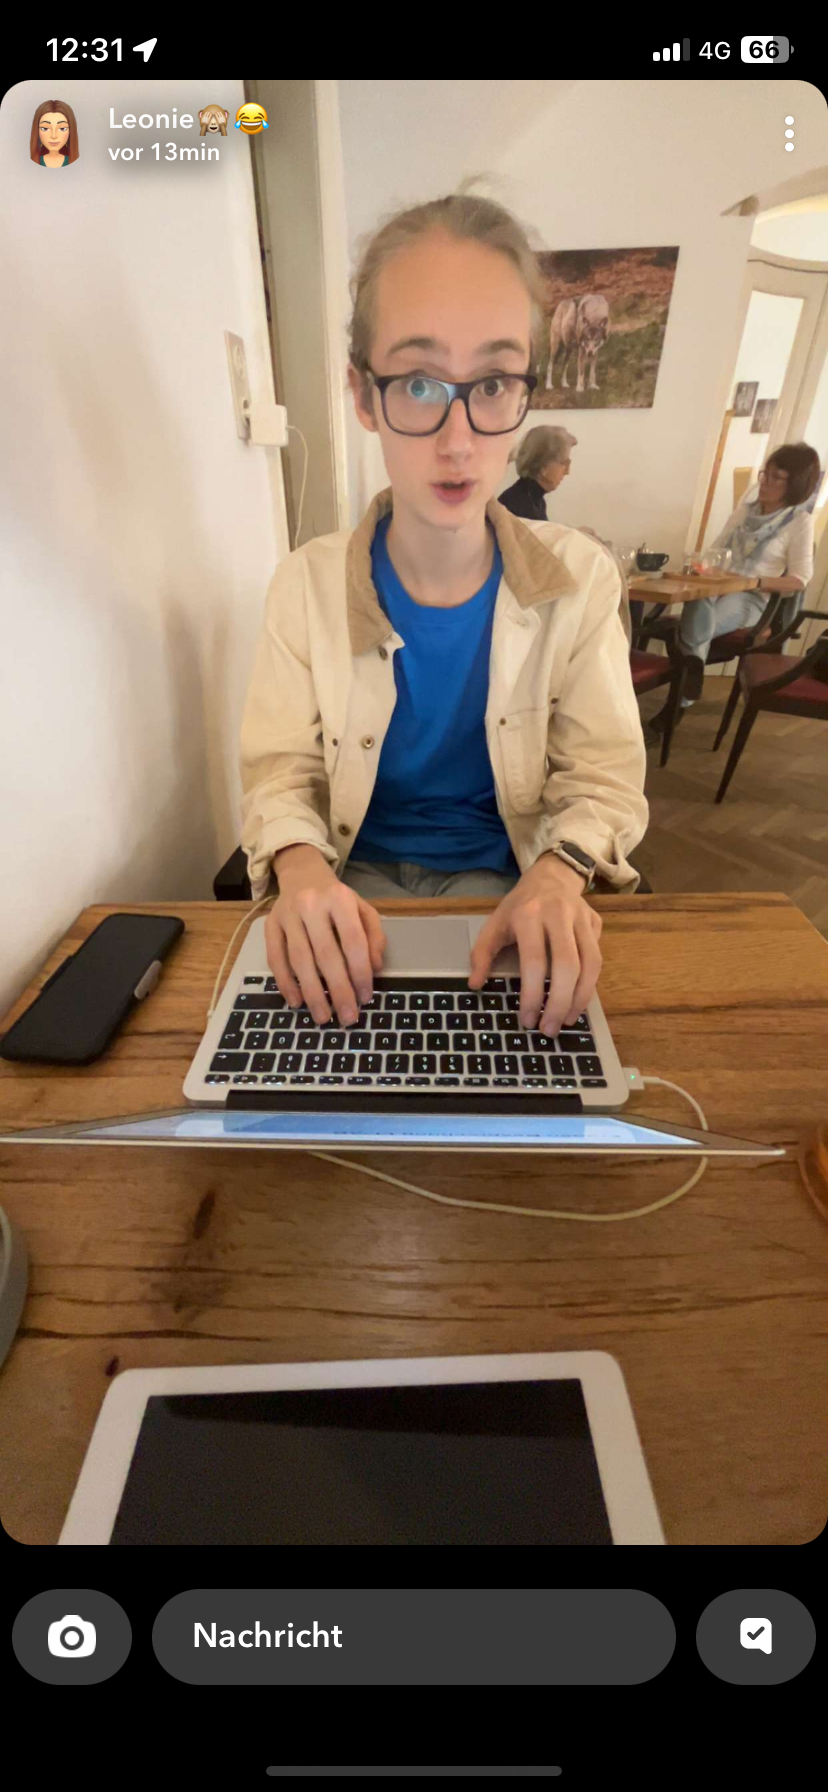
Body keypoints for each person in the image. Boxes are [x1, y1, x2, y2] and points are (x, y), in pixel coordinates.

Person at [239, 178, 648, 1043]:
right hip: (349, 904)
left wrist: (562, 872)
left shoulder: (580, 580)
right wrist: (301, 867)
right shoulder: (304, 587)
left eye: (494, 382)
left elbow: (604, 779)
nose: (460, 440)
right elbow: (279, 770)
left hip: (518, 901)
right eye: (421, 383)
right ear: (362, 395)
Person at [646, 443, 821, 740]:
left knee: (694, 622)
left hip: (753, 597)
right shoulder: (743, 513)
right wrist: (700, 570)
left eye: (776, 477)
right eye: (765, 474)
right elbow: (714, 555)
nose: (764, 482)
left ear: (795, 484)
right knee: (697, 601)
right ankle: (694, 670)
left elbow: (800, 579)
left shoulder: (798, 522)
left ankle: (678, 702)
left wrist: (752, 583)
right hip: (716, 588)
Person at [497, 424, 578, 519]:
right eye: (563, 463)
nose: (567, 472)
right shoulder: (517, 504)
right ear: (543, 465)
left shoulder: (532, 498)